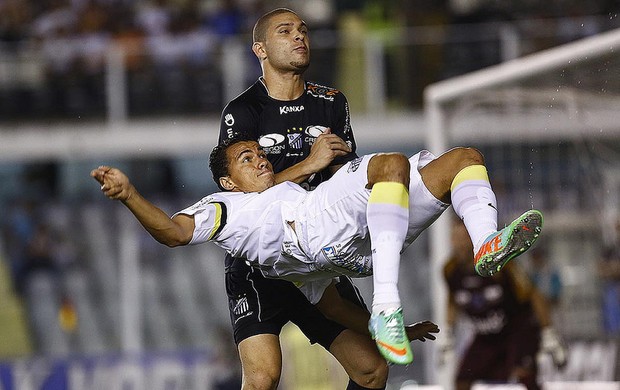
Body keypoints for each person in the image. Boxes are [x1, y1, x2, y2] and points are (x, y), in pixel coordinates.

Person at [91, 134, 542, 365]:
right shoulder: (225, 207)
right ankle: (388, 302)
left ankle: (486, 245)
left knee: (463, 159)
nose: (261, 158)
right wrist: (130, 193)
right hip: (316, 224)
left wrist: (384, 327)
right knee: (391, 165)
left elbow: (328, 303)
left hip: (361, 250)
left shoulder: (283, 199)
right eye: (247, 158)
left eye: (260, 152)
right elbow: (172, 232)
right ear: (227, 182)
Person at [217, 7, 389, 390]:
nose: (299, 37)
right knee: (263, 378)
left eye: (303, 30)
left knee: (373, 371)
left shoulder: (331, 103)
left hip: (316, 258)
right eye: (285, 31)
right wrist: (308, 164)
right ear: (259, 49)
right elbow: (241, 198)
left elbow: (345, 179)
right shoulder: (242, 112)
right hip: (261, 261)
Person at [442, 218, 567, 390]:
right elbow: (452, 300)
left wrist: (548, 332)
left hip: (517, 330)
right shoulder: (450, 269)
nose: (458, 243)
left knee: (524, 376)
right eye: (454, 238)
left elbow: (533, 294)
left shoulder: (500, 265)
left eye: (463, 237)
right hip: (485, 336)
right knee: (462, 381)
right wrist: (447, 334)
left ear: (473, 238)